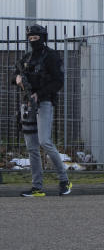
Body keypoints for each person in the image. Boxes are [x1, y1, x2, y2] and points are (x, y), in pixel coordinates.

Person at [13, 24, 72, 197]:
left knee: (45, 141)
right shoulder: (27, 57)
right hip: (27, 104)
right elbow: (15, 74)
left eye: (36, 38)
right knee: (31, 147)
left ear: (43, 38)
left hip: (45, 102)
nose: (33, 41)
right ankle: (37, 187)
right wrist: (16, 78)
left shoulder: (52, 56)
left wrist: (40, 94)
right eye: (30, 39)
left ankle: (64, 180)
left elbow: (58, 81)